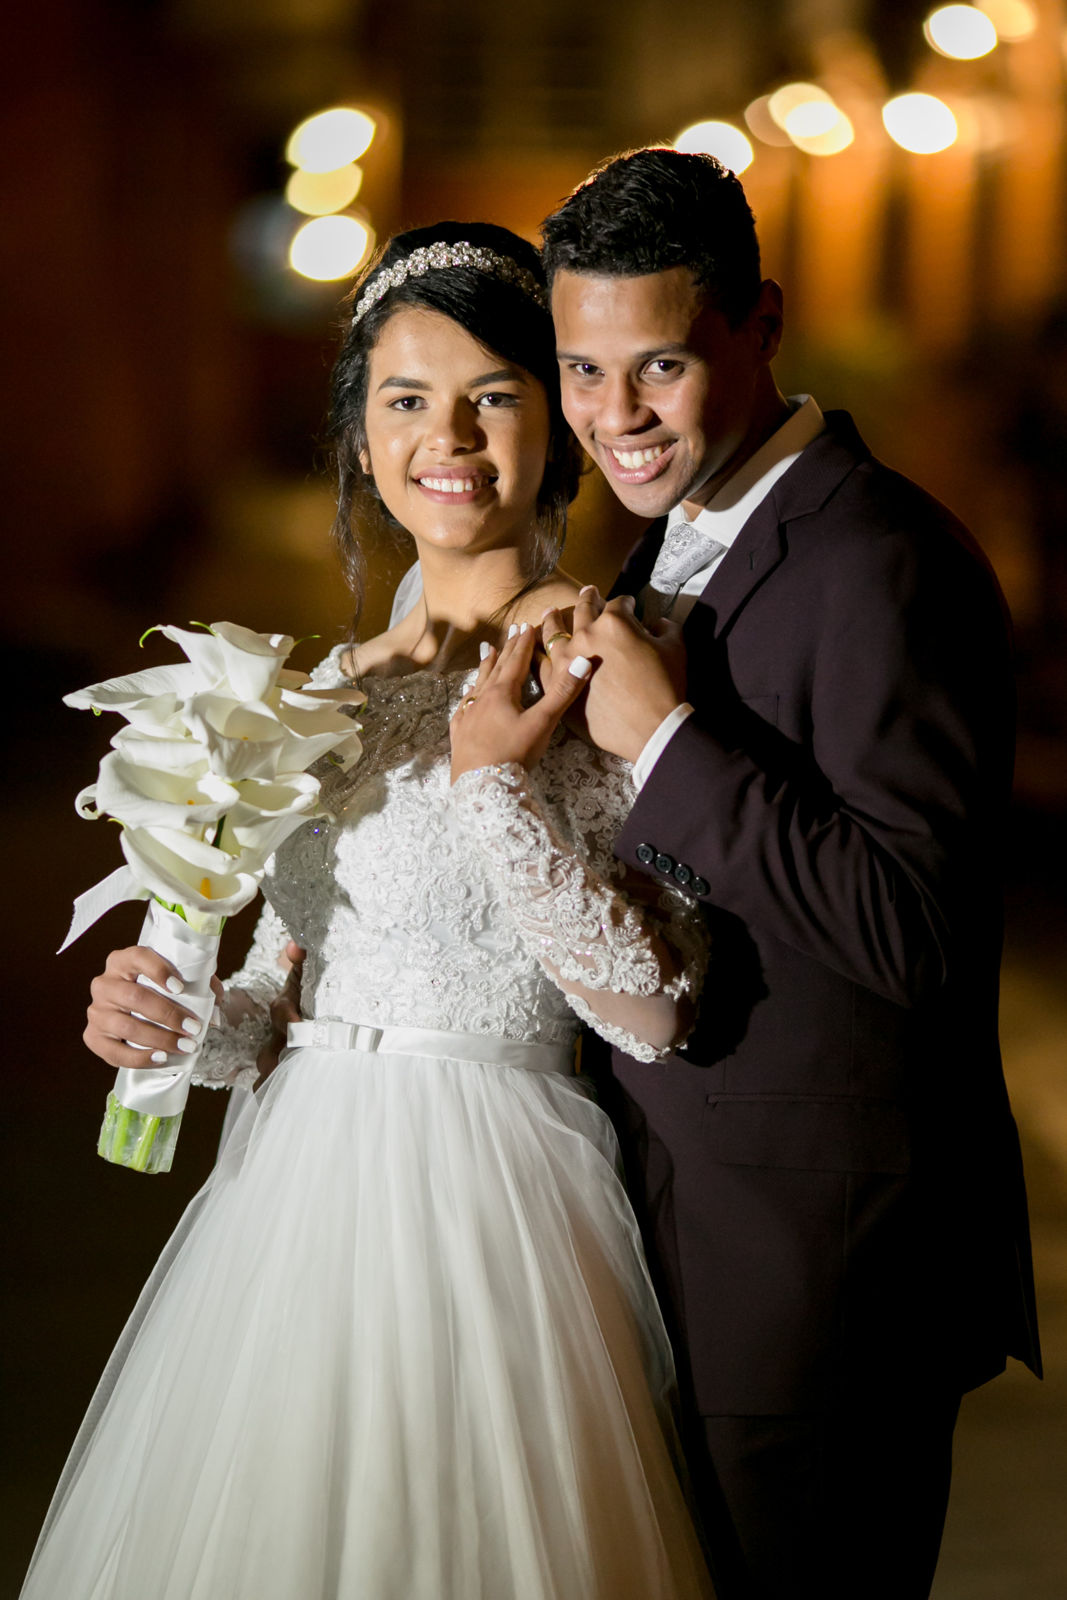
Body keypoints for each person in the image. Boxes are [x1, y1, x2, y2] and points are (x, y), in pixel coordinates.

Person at [22, 222, 716, 1600]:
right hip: (290, 1203)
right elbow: (291, 989)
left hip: (496, 1196)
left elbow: (656, 1011)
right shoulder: (324, 686)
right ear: (359, 434)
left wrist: (498, 795)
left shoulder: (612, 655)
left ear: (559, 424)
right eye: (404, 400)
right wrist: (173, 1026)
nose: (446, 438)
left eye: (492, 396)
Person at [520, 147, 1040, 1599]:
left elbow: (917, 928)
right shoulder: (659, 546)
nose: (613, 418)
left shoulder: (885, 560)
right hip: (672, 1246)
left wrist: (671, 743)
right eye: (579, 371)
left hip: (818, 1282)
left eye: (660, 367)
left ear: (762, 324)